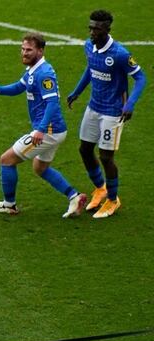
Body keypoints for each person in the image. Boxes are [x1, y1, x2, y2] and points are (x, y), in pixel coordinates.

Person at [0, 33, 87, 218]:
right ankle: (75, 197)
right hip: (54, 130)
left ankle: (9, 205)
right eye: (23, 49)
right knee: (40, 168)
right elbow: (19, 87)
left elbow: (53, 103)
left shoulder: (44, 74)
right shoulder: (34, 70)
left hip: (47, 131)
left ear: (40, 50)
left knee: (6, 160)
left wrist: (40, 129)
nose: (24, 53)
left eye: (29, 50)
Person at [66, 10, 147, 218]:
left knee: (105, 156)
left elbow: (141, 78)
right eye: (90, 27)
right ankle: (100, 188)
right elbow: (90, 69)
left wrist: (130, 103)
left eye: (97, 29)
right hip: (94, 106)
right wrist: (76, 91)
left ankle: (112, 199)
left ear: (107, 29)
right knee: (84, 149)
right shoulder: (88, 46)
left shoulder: (120, 54)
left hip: (113, 112)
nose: (92, 32)